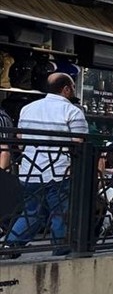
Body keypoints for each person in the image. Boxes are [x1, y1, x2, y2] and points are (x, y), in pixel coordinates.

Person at [3, 73, 89, 257]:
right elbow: (79, 143)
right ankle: (61, 247)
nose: (73, 90)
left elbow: (20, 140)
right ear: (66, 89)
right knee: (60, 212)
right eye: (73, 87)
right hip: (58, 171)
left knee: (32, 211)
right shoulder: (73, 112)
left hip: (31, 170)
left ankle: (11, 244)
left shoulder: (28, 108)